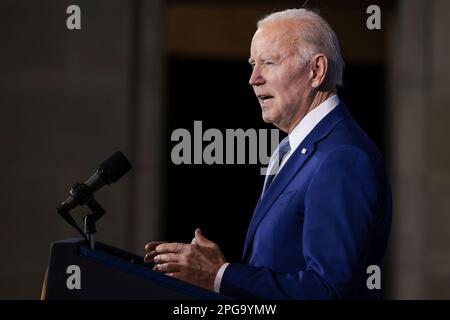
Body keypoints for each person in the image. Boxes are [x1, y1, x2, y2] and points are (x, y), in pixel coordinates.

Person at [144, 8, 392, 299]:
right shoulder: (297, 149)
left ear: (316, 71)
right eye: (252, 64)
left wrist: (221, 275)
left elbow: (328, 291)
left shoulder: (342, 157)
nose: (253, 78)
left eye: (269, 63)